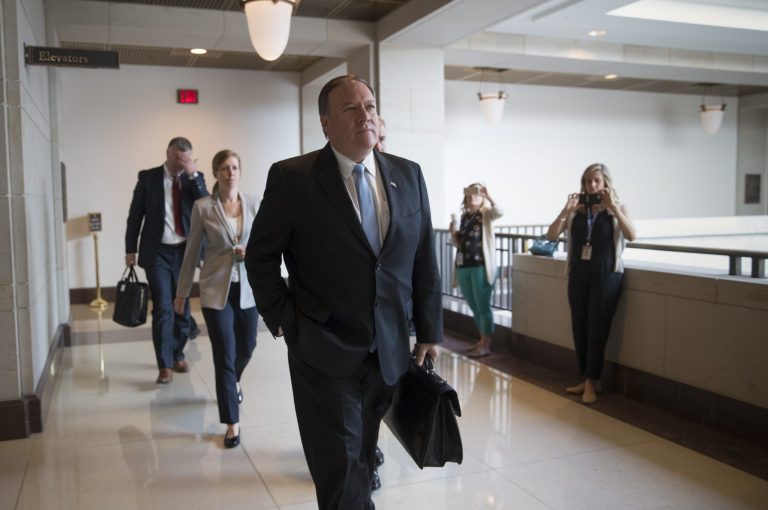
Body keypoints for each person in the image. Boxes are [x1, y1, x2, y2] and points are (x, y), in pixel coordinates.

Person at [245, 74, 443, 510]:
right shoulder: (293, 178)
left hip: (388, 351)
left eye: (369, 106)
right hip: (323, 349)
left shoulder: (408, 174)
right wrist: (286, 322)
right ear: (326, 123)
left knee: (362, 462)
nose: (364, 115)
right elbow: (260, 258)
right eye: (350, 108)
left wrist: (429, 329)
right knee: (340, 475)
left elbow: (424, 256)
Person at [174, 150, 259, 448]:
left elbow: (265, 243)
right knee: (224, 353)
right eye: (224, 168)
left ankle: (233, 381)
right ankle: (232, 424)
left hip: (247, 289)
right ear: (215, 173)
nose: (230, 172)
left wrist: (251, 253)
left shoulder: (253, 203)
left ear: (240, 171)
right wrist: (182, 293)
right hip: (215, 289)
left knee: (247, 346)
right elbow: (191, 253)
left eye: (234, 167)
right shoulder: (203, 208)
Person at [546, 163, 636, 404]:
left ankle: (591, 382)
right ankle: (588, 379)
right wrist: (565, 210)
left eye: (596, 181)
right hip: (578, 275)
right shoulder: (577, 210)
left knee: (597, 329)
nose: (592, 185)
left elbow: (632, 235)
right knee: (580, 328)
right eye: (587, 181)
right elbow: (551, 235)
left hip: (606, 277)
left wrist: (613, 207)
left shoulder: (616, 208)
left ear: (606, 183)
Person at [125, 137, 208, 384]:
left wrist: (194, 176)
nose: (180, 163)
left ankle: (178, 354)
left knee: (181, 305)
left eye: (185, 158)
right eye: (177, 157)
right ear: (168, 154)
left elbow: (208, 207)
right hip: (157, 252)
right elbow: (134, 216)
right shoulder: (148, 178)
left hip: (185, 252)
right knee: (163, 307)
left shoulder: (195, 178)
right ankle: (165, 364)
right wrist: (130, 249)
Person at [449, 183, 503, 358]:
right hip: (464, 265)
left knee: (483, 305)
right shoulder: (465, 216)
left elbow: (500, 212)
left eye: (477, 194)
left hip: (481, 266)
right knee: (473, 305)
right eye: (470, 193)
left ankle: (485, 344)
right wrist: (453, 233)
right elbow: (459, 243)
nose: (473, 197)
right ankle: (482, 340)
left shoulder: (485, 214)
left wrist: (489, 196)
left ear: (483, 197)